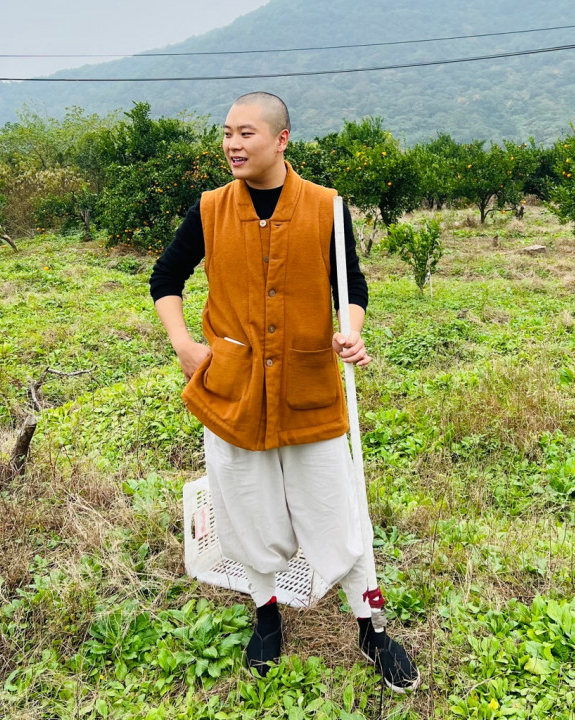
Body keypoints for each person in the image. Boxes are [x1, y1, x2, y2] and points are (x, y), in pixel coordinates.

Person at [150, 91, 419, 693]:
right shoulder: (210, 209)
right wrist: (185, 345)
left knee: (337, 509)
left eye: (245, 133)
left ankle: (371, 628)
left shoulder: (327, 207)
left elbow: (352, 287)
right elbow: (165, 278)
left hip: (309, 386)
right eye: (226, 133)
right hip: (234, 392)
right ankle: (266, 614)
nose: (232, 144)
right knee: (247, 508)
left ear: (281, 139)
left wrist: (350, 331)